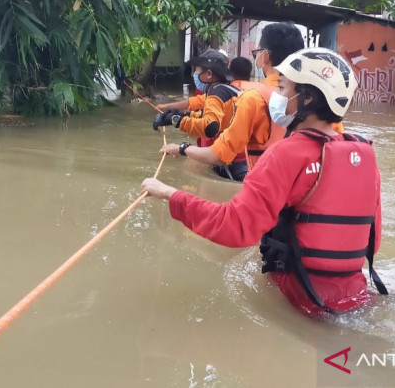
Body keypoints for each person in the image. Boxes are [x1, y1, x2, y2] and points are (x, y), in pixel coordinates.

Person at [141, 47, 381, 318]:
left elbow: (233, 227)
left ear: (308, 97)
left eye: (282, 88)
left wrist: (170, 194)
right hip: (358, 297)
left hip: (304, 302)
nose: (277, 96)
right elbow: (374, 239)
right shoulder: (364, 152)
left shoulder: (286, 153)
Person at [157, 22, 305, 171]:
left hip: (260, 180)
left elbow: (218, 148)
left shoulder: (252, 97)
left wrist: (181, 146)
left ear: (265, 56)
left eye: (257, 53)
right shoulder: (312, 97)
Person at [152, 48, 247, 181]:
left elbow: (210, 126)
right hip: (242, 157)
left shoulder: (216, 95)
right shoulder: (228, 90)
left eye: (197, 70)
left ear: (208, 73)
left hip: (233, 163)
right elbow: (204, 115)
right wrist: (178, 115)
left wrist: (175, 120)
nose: (194, 74)